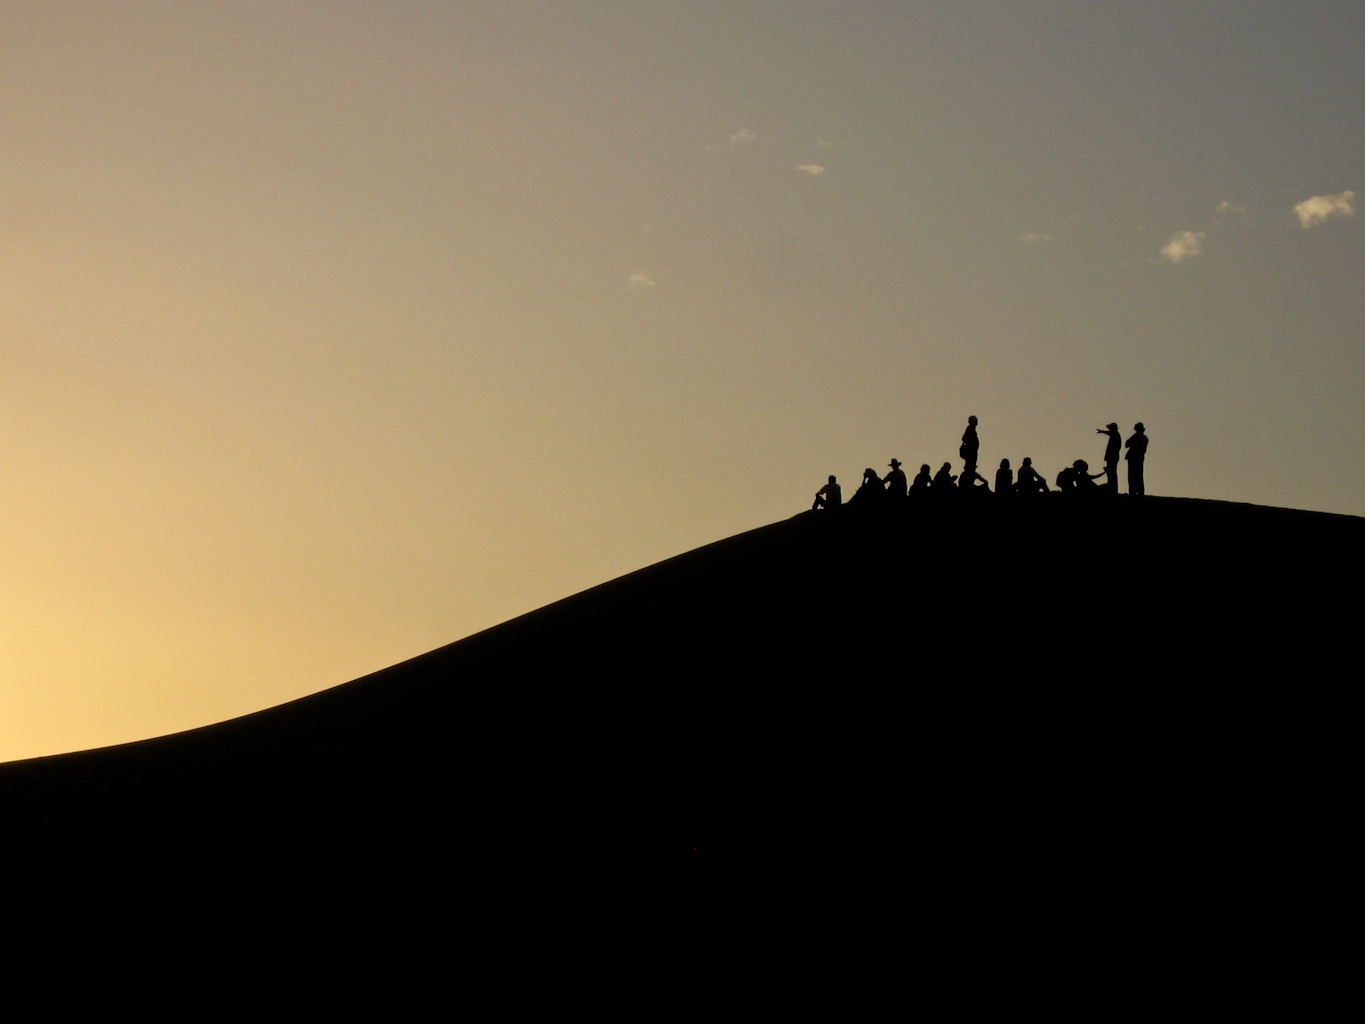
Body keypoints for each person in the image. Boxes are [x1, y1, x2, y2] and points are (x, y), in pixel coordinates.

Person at [1096, 423, 1122, 495]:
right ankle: (1112, 488)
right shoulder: (1115, 435)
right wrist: (1102, 431)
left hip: (1112, 457)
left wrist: (1102, 431)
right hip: (1112, 457)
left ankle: (1112, 488)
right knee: (1111, 473)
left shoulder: (1115, 436)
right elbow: (1109, 433)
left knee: (1112, 473)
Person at [1125, 422, 1149, 496]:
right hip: (1139, 459)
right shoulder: (1144, 438)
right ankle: (1139, 492)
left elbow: (1127, 444)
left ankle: (1133, 492)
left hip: (1134, 459)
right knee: (1138, 476)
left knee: (1133, 476)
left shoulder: (1137, 437)